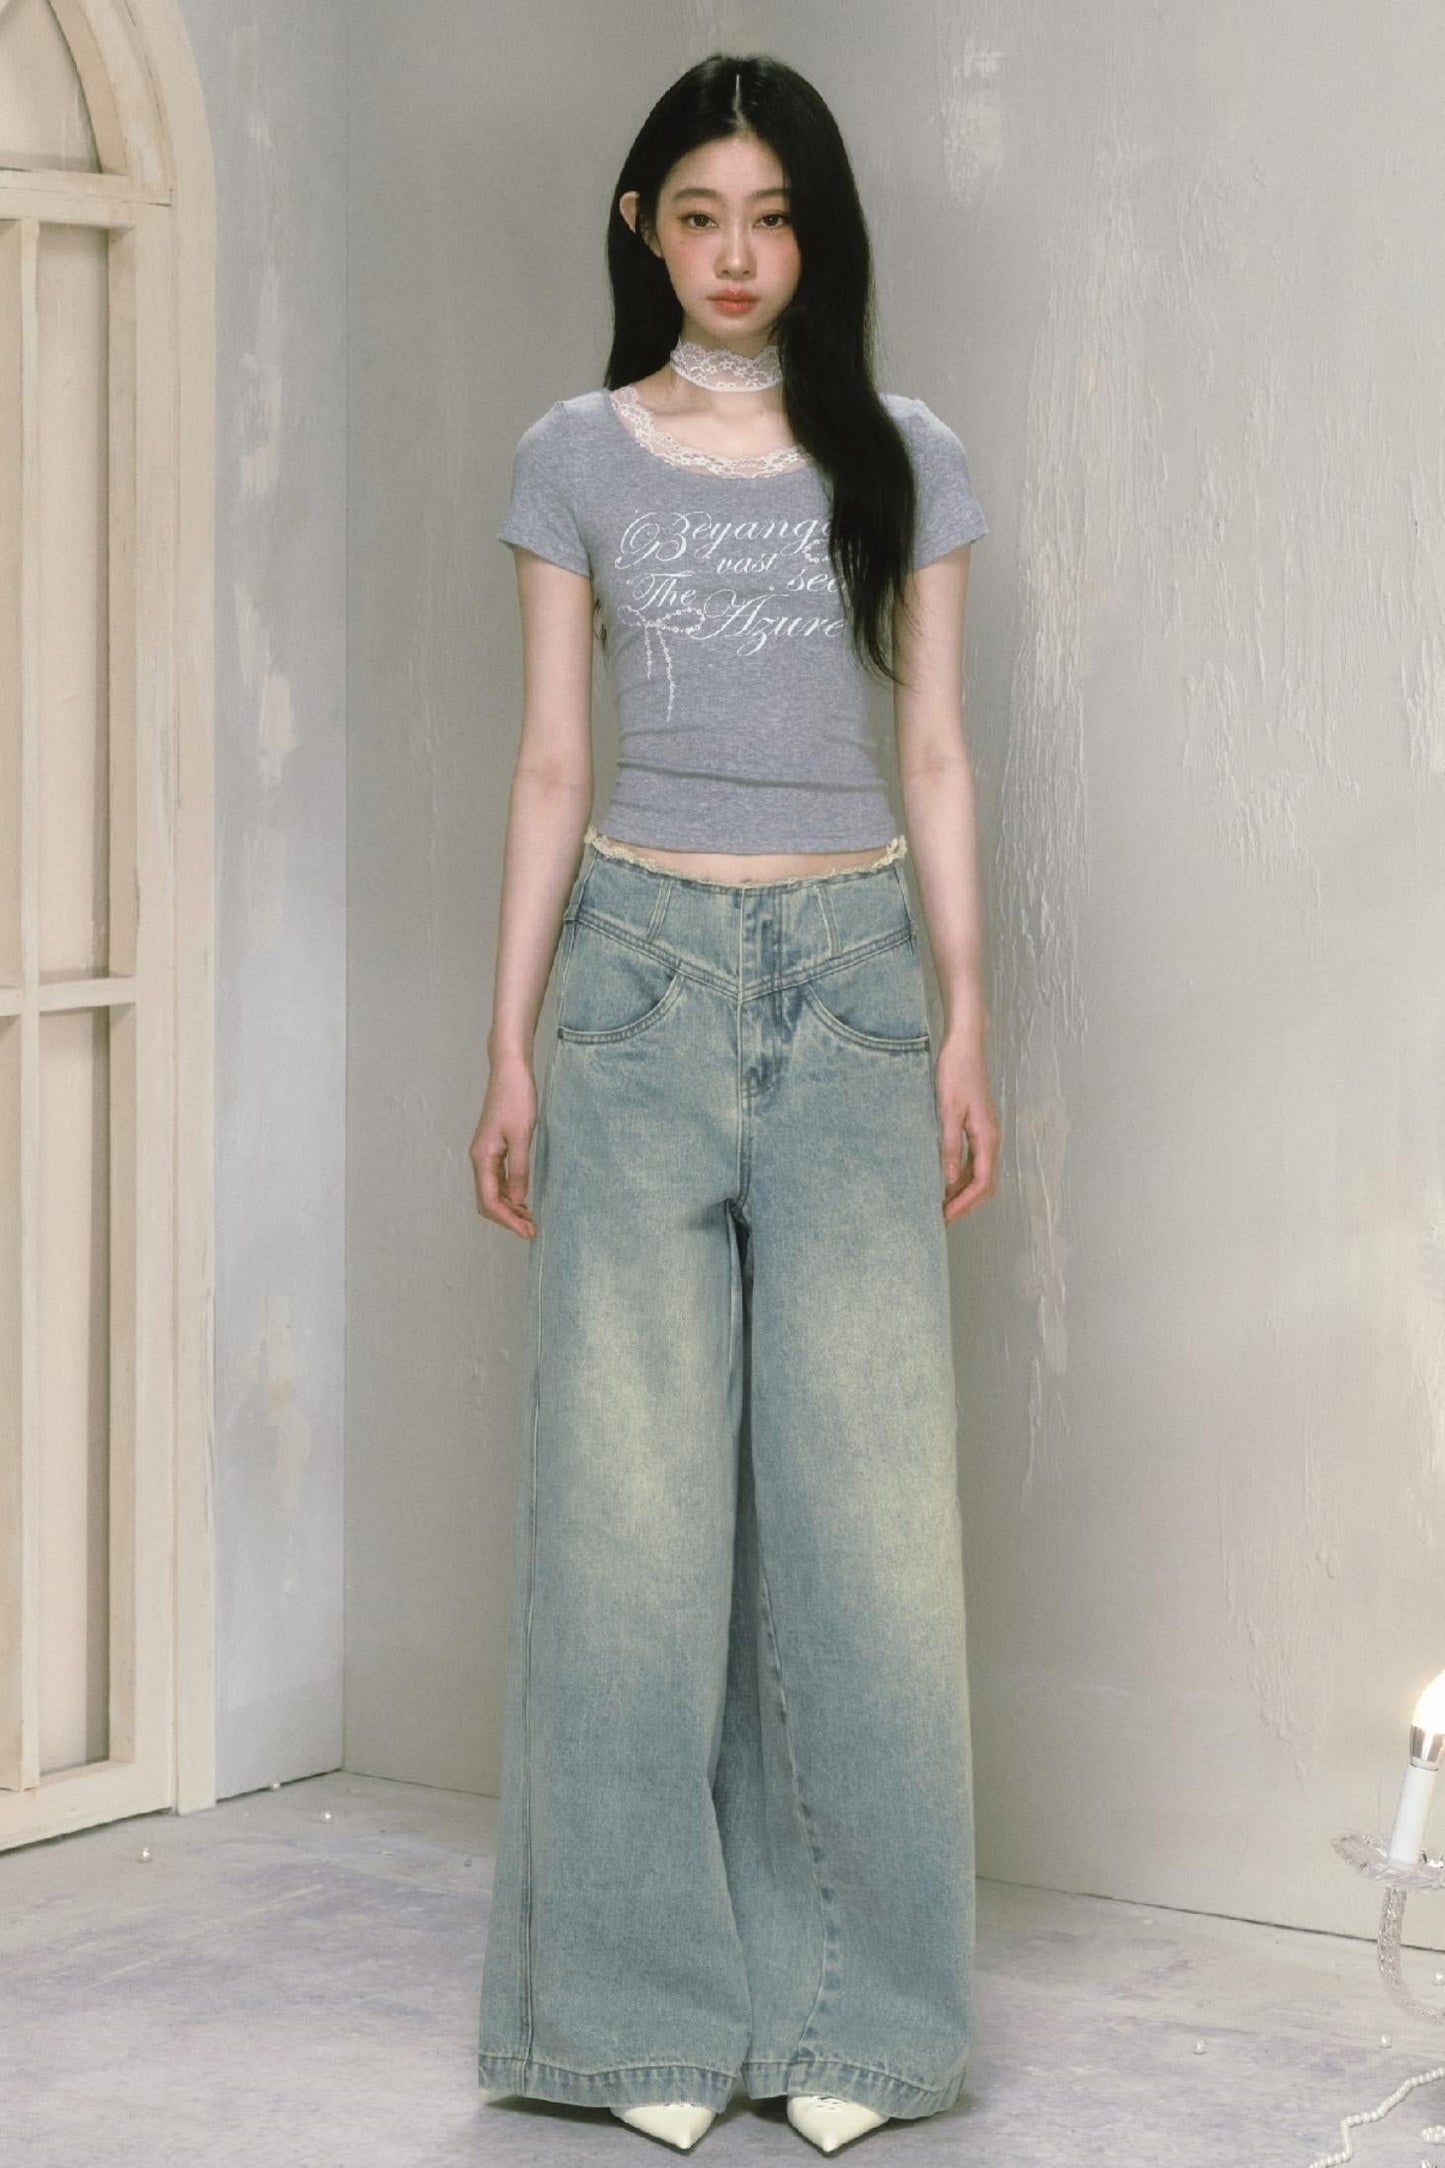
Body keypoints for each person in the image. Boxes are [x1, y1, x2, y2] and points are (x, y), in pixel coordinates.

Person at [471, 51, 1000, 2158]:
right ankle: (634, 2018)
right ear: (642, 227)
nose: (736, 255)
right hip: (634, 984)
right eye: (698, 215)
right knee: (626, 1518)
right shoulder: (571, 456)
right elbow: (549, 760)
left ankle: (866, 2017)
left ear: (816, 234)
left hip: (856, 984)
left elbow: (934, 751)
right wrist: (508, 1039)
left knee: (867, 1522)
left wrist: (966, 1018)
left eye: (772, 217)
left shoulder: (903, 452)